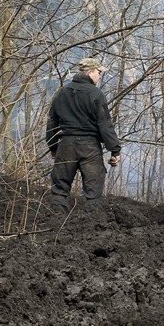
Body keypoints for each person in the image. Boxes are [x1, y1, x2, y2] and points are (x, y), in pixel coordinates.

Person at [46, 57, 122, 213]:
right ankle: (91, 225)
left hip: (66, 145)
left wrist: (53, 147)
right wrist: (115, 150)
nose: (100, 76)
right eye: (99, 72)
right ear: (90, 72)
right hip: (89, 148)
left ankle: (56, 224)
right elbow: (104, 124)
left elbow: (52, 122)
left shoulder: (62, 92)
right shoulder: (95, 93)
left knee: (59, 190)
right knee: (93, 193)